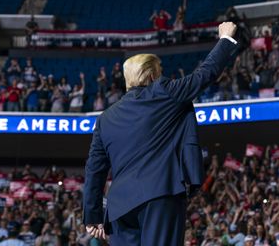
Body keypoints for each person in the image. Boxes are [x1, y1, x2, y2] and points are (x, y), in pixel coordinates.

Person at [83, 22, 238, 245]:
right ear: (152, 75)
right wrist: (224, 39)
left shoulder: (105, 118)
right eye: (160, 72)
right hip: (159, 195)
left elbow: (94, 170)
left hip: (119, 209)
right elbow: (203, 76)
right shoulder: (162, 93)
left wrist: (93, 216)